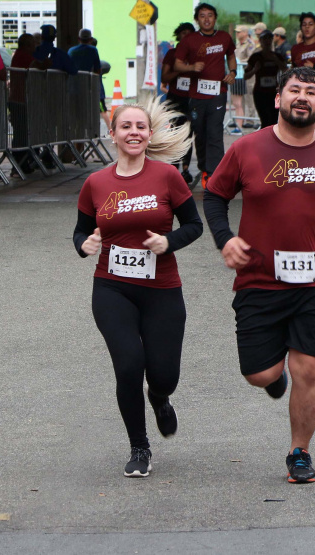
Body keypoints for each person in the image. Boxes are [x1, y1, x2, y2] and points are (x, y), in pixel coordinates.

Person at [203, 67, 315, 484]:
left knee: (309, 368)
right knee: (259, 374)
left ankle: (299, 452)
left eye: (311, 92)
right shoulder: (247, 149)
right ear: (278, 99)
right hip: (260, 279)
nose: (302, 97)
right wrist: (225, 239)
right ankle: (272, 376)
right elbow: (214, 195)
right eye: (294, 90)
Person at [73, 97, 202, 478]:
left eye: (140, 127)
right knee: (129, 365)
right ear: (112, 134)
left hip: (162, 288)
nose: (133, 132)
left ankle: (159, 398)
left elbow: (193, 225)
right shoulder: (96, 183)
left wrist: (169, 242)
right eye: (125, 126)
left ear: (149, 134)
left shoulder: (167, 177)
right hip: (112, 289)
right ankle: (139, 447)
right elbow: (81, 230)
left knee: (164, 375)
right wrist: (84, 245)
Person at [173, 2, 236, 188]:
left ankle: (214, 172)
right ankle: (203, 166)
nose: (206, 19)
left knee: (215, 133)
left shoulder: (224, 37)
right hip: (196, 94)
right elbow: (177, 64)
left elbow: (231, 55)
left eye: (210, 15)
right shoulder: (189, 40)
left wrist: (232, 72)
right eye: (202, 15)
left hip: (218, 93)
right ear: (197, 19)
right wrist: (191, 67)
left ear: (215, 18)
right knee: (200, 133)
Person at [160, 22, 196, 185]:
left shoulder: (197, 55)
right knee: (175, 133)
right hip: (176, 99)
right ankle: (173, 168)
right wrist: (181, 70)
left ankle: (186, 169)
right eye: (183, 33)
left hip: (194, 98)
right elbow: (164, 79)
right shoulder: (172, 54)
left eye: (190, 33)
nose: (187, 36)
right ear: (178, 35)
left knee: (189, 134)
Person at [244, 30, 286, 128]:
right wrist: (255, 70)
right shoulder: (255, 57)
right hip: (260, 93)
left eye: (269, 39)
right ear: (260, 41)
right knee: (265, 119)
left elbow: (286, 70)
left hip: (274, 93)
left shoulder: (278, 56)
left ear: (271, 40)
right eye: (264, 39)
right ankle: (265, 141)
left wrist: (276, 61)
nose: (267, 42)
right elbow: (246, 76)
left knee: (274, 120)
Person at [231, 24, 254, 130]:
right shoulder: (238, 44)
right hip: (239, 75)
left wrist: (239, 62)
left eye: (239, 32)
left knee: (249, 96)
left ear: (245, 33)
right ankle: (240, 119)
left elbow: (251, 58)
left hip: (247, 73)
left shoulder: (250, 44)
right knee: (240, 99)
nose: (237, 34)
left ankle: (250, 119)